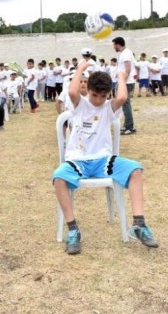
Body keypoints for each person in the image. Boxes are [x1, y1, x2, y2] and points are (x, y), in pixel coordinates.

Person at [52, 60, 158, 254]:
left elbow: (123, 97)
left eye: (103, 96)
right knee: (58, 178)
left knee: (135, 169)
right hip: (78, 161)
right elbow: (72, 92)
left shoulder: (109, 108)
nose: (98, 100)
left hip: (104, 161)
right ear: (88, 90)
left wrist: (121, 77)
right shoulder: (79, 105)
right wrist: (80, 69)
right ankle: (73, 229)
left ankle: (139, 224)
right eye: (94, 95)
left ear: (107, 94)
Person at [112, 37, 136, 134]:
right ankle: (128, 125)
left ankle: (129, 127)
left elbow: (128, 69)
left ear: (118, 44)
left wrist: (122, 82)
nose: (113, 47)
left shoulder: (126, 53)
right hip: (125, 82)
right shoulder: (125, 52)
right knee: (126, 104)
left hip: (126, 82)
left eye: (114, 45)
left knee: (125, 104)